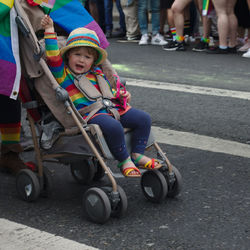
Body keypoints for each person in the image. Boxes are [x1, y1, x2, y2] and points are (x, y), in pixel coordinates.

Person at [41, 15, 161, 177]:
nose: (82, 60)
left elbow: (109, 92)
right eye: (77, 54)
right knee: (113, 127)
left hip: (112, 108)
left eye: (87, 57)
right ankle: (124, 160)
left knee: (143, 118)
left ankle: (137, 154)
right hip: (90, 113)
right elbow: (54, 57)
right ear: (68, 55)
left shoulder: (97, 73)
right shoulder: (63, 74)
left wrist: (122, 95)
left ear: (93, 60)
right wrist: (49, 30)